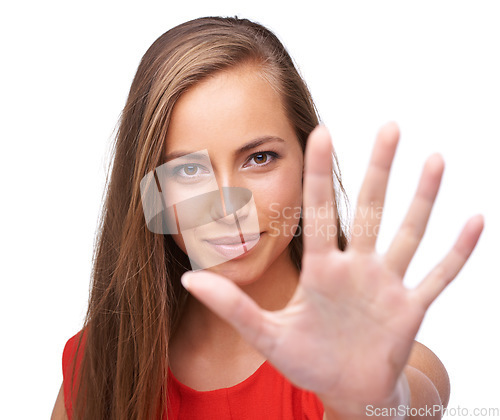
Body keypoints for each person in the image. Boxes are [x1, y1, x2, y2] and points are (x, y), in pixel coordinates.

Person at [51, 16, 484, 420]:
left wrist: (367, 399)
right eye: (188, 170)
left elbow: (402, 400)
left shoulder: (387, 365)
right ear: (152, 193)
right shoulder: (94, 364)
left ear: (305, 161)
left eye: (259, 158)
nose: (226, 207)